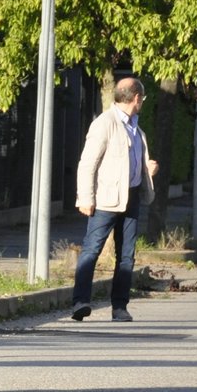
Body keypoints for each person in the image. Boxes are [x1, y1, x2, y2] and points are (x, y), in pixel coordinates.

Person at [71, 77, 158, 323]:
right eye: (143, 99)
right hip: (105, 200)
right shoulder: (104, 123)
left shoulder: (135, 128)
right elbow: (87, 163)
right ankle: (80, 301)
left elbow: (128, 161)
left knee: (127, 255)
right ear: (137, 98)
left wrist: (146, 168)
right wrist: (85, 198)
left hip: (131, 198)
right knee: (91, 249)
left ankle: (120, 307)